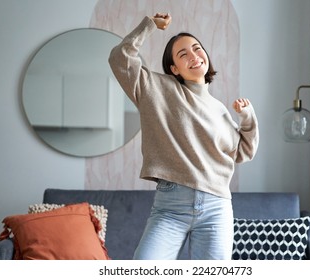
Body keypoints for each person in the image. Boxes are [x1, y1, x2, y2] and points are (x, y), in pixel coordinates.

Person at [109, 13, 259, 260]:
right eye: (183, 54)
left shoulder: (220, 110)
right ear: (173, 68)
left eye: (197, 49)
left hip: (216, 208)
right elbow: (119, 59)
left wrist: (248, 118)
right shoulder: (156, 89)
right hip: (170, 208)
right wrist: (149, 26)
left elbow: (243, 152)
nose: (193, 56)